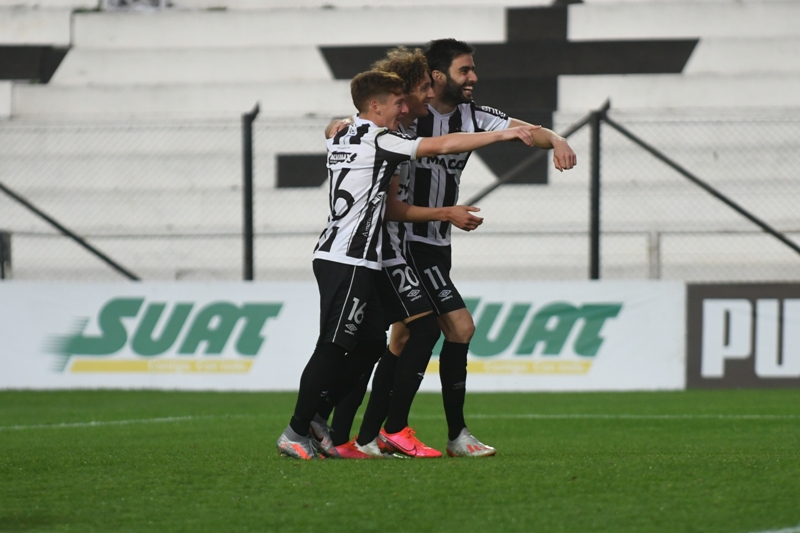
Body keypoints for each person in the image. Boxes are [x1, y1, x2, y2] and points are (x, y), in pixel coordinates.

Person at [277, 69, 542, 459]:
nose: (405, 108)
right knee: (333, 346)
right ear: (375, 106)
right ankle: (296, 431)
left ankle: (324, 421)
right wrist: (501, 134)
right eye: (398, 103)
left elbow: (338, 130)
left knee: (368, 345)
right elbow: (441, 145)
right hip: (350, 255)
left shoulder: (343, 133)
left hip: (350, 255)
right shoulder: (384, 140)